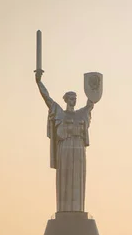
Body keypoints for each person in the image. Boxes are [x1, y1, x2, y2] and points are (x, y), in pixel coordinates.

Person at [35, 70, 94, 212]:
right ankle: (64, 209)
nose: (74, 100)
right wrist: (39, 82)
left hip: (79, 148)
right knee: (65, 178)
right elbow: (47, 99)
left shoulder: (82, 114)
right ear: (66, 100)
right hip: (65, 147)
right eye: (71, 98)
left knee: (77, 179)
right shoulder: (59, 112)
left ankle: (78, 209)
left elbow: (91, 102)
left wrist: (93, 89)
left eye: (75, 98)